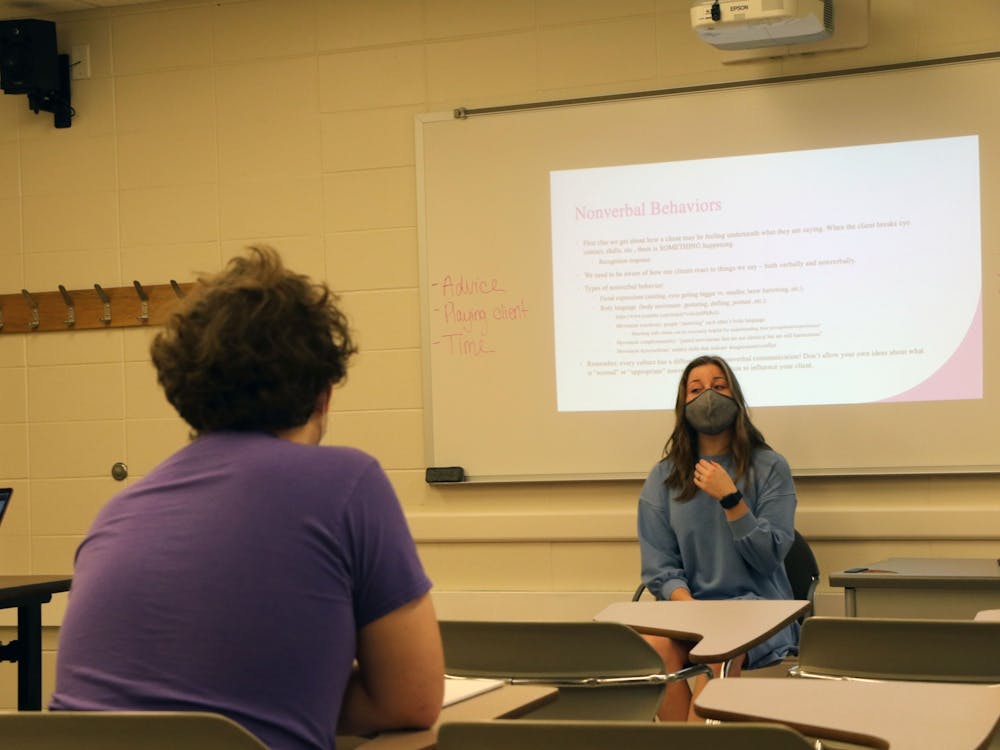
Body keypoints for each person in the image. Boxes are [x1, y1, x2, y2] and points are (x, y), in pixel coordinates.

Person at [50, 246, 444, 750]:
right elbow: (409, 701)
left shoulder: (118, 511)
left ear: (186, 391)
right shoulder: (348, 482)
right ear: (324, 392)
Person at [637, 354, 798, 722]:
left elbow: (769, 556)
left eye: (719, 386)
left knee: (721, 648)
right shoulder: (664, 478)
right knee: (652, 648)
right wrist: (691, 608)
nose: (708, 395)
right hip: (690, 609)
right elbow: (659, 567)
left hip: (758, 611)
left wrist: (732, 500)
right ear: (683, 405)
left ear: (735, 398)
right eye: (696, 389)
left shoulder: (770, 467)